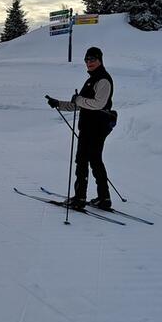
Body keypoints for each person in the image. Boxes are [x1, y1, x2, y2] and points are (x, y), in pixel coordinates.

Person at [47, 46, 114, 210]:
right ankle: (103, 198)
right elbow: (81, 104)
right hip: (90, 126)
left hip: (96, 127)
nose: (89, 62)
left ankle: (80, 198)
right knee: (94, 161)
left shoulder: (103, 80)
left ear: (100, 60)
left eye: (92, 59)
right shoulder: (92, 79)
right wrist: (59, 104)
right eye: (87, 60)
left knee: (83, 161)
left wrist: (78, 100)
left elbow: (99, 104)